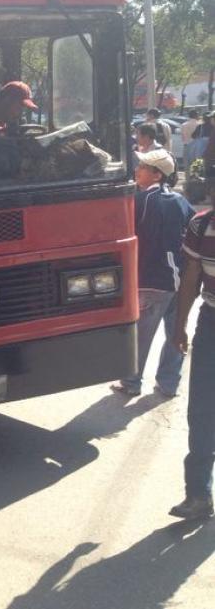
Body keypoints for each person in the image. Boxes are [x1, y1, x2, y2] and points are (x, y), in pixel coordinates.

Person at [111, 149, 194, 397]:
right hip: (180, 279)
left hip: (151, 279)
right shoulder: (180, 200)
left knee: (141, 335)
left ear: (157, 174)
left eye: (143, 167)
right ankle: (168, 384)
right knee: (176, 332)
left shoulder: (141, 200)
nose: (137, 170)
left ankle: (131, 382)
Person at [168, 176, 215, 520]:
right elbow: (190, 277)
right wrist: (179, 324)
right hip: (212, 322)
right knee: (202, 410)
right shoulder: (201, 225)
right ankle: (198, 495)